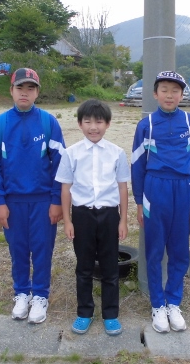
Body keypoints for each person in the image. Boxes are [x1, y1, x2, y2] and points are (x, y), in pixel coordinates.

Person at [0, 68, 65, 324]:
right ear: (11, 90)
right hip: (13, 201)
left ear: (37, 93)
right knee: (18, 249)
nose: (25, 93)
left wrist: (56, 201)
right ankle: (21, 292)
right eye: (20, 88)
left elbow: (61, 165)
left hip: (42, 201)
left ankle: (40, 295)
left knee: (42, 249)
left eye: (30, 88)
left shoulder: (48, 122)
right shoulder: (0, 124)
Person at [131, 71, 190, 333]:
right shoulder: (146, 125)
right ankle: (157, 304)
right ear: (155, 94)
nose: (169, 95)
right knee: (154, 251)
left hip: (184, 190)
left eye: (175, 90)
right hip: (155, 190)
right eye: (164, 89)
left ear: (182, 94)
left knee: (179, 250)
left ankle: (173, 302)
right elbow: (137, 165)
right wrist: (139, 203)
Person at [55, 99, 130, 336]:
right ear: (80, 124)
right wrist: (68, 220)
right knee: (84, 266)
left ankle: (111, 314)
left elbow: (122, 188)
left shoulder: (117, 153)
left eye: (98, 122)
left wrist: (123, 220)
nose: (93, 127)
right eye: (87, 121)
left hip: (109, 215)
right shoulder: (71, 153)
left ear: (107, 124)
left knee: (110, 267)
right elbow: (66, 189)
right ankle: (84, 312)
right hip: (82, 216)